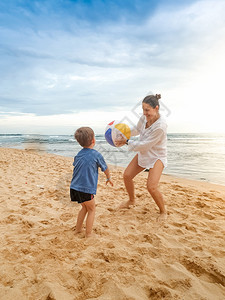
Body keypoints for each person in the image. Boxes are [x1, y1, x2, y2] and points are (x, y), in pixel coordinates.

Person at [116, 94, 167, 221]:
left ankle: (163, 211)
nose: (145, 113)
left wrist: (127, 142)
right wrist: (123, 133)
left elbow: (145, 145)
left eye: (147, 110)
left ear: (156, 108)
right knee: (127, 175)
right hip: (144, 153)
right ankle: (131, 201)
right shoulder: (144, 118)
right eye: (143, 109)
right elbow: (137, 130)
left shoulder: (161, 126)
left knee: (151, 187)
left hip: (157, 156)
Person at [70, 127, 113, 237]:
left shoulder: (78, 154)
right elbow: (105, 168)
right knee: (92, 210)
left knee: (84, 207)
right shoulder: (96, 155)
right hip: (85, 189)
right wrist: (109, 178)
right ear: (93, 140)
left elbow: (76, 165)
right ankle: (88, 234)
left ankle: (78, 230)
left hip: (74, 188)